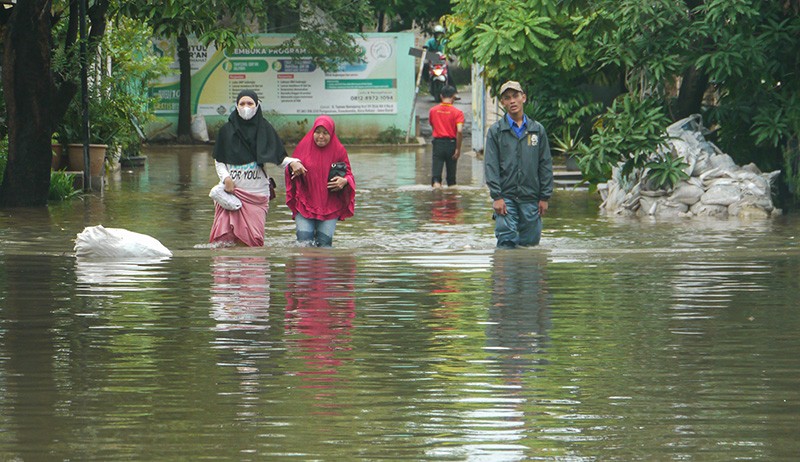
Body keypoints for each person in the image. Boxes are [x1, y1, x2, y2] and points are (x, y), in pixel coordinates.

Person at [209, 89, 305, 247]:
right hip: (231, 193)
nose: (246, 107)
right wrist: (226, 179)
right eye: (242, 103)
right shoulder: (226, 131)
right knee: (225, 243)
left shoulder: (265, 129)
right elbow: (219, 160)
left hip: (257, 195)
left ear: (257, 105)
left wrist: (293, 162)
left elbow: (278, 158)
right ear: (236, 106)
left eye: (250, 103)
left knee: (253, 242)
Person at [484, 80, 554, 248]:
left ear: (524, 98)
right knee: (506, 243)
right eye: (507, 98)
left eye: (515, 96)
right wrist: (497, 196)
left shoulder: (537, 130)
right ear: (502, 102)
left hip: (531, 198)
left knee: (530, 246)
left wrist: (544, 197)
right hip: (506, 198)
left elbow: (545, 164)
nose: (512, 101)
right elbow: (491, 165)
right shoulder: (496, 131)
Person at [285, 115, 355, 247]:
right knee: (304, 244)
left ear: (332, 133)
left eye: (325, 133)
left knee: (325, 245)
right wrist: (292, 165)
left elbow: (349, 174)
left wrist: (344, 181)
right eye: (317, 132)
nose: (321, 136)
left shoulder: (339, 150)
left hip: (330, 205)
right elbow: (289, 169)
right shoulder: (303, 147)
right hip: (305, 203)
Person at [428, 85, 464, 188]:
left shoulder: (433, 111)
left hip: (438, 144)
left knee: (436, 177)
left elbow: (432, 125)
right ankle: (452, 202)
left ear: (441, 96)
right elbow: (460, 131)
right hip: (452, 145)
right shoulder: (458, 113)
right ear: (453, 97)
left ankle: (436, 200)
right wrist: (458, 148)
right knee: (451, 180)